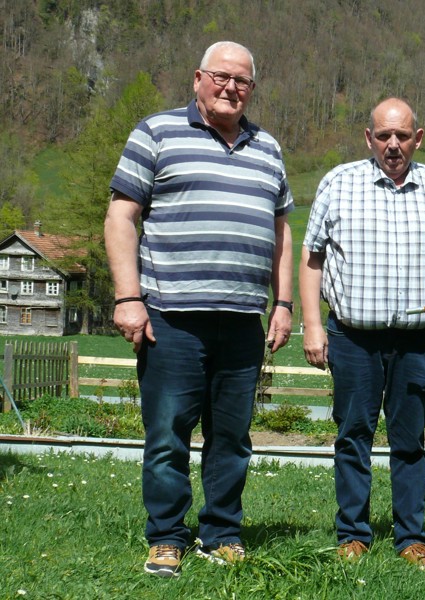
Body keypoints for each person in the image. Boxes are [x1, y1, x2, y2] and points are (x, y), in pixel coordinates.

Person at [105, 41, 294, 578]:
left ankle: (221, 532)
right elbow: (121, 218)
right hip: (171, 318)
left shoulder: (269, 148)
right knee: (167, 435)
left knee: (232, 437)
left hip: (242, 321)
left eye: (243, 81)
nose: (231, 88)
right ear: (198, 79)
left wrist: (282, 304)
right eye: (221, 77)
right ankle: (166, 536)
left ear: (252, 89)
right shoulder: (156, 132)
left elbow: (282, 232)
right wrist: (128, 297)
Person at [298, 98, 425, 568]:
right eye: (383, 136)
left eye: (402, 136)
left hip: (418, 341)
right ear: (369, 138)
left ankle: (411, 537)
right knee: (353, 435)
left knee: (411, 442)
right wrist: (314, 325)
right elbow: (312, 257)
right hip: (353, 338)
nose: (393, 145)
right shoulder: (339, 183)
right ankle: (353, 534)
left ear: (417, 138)